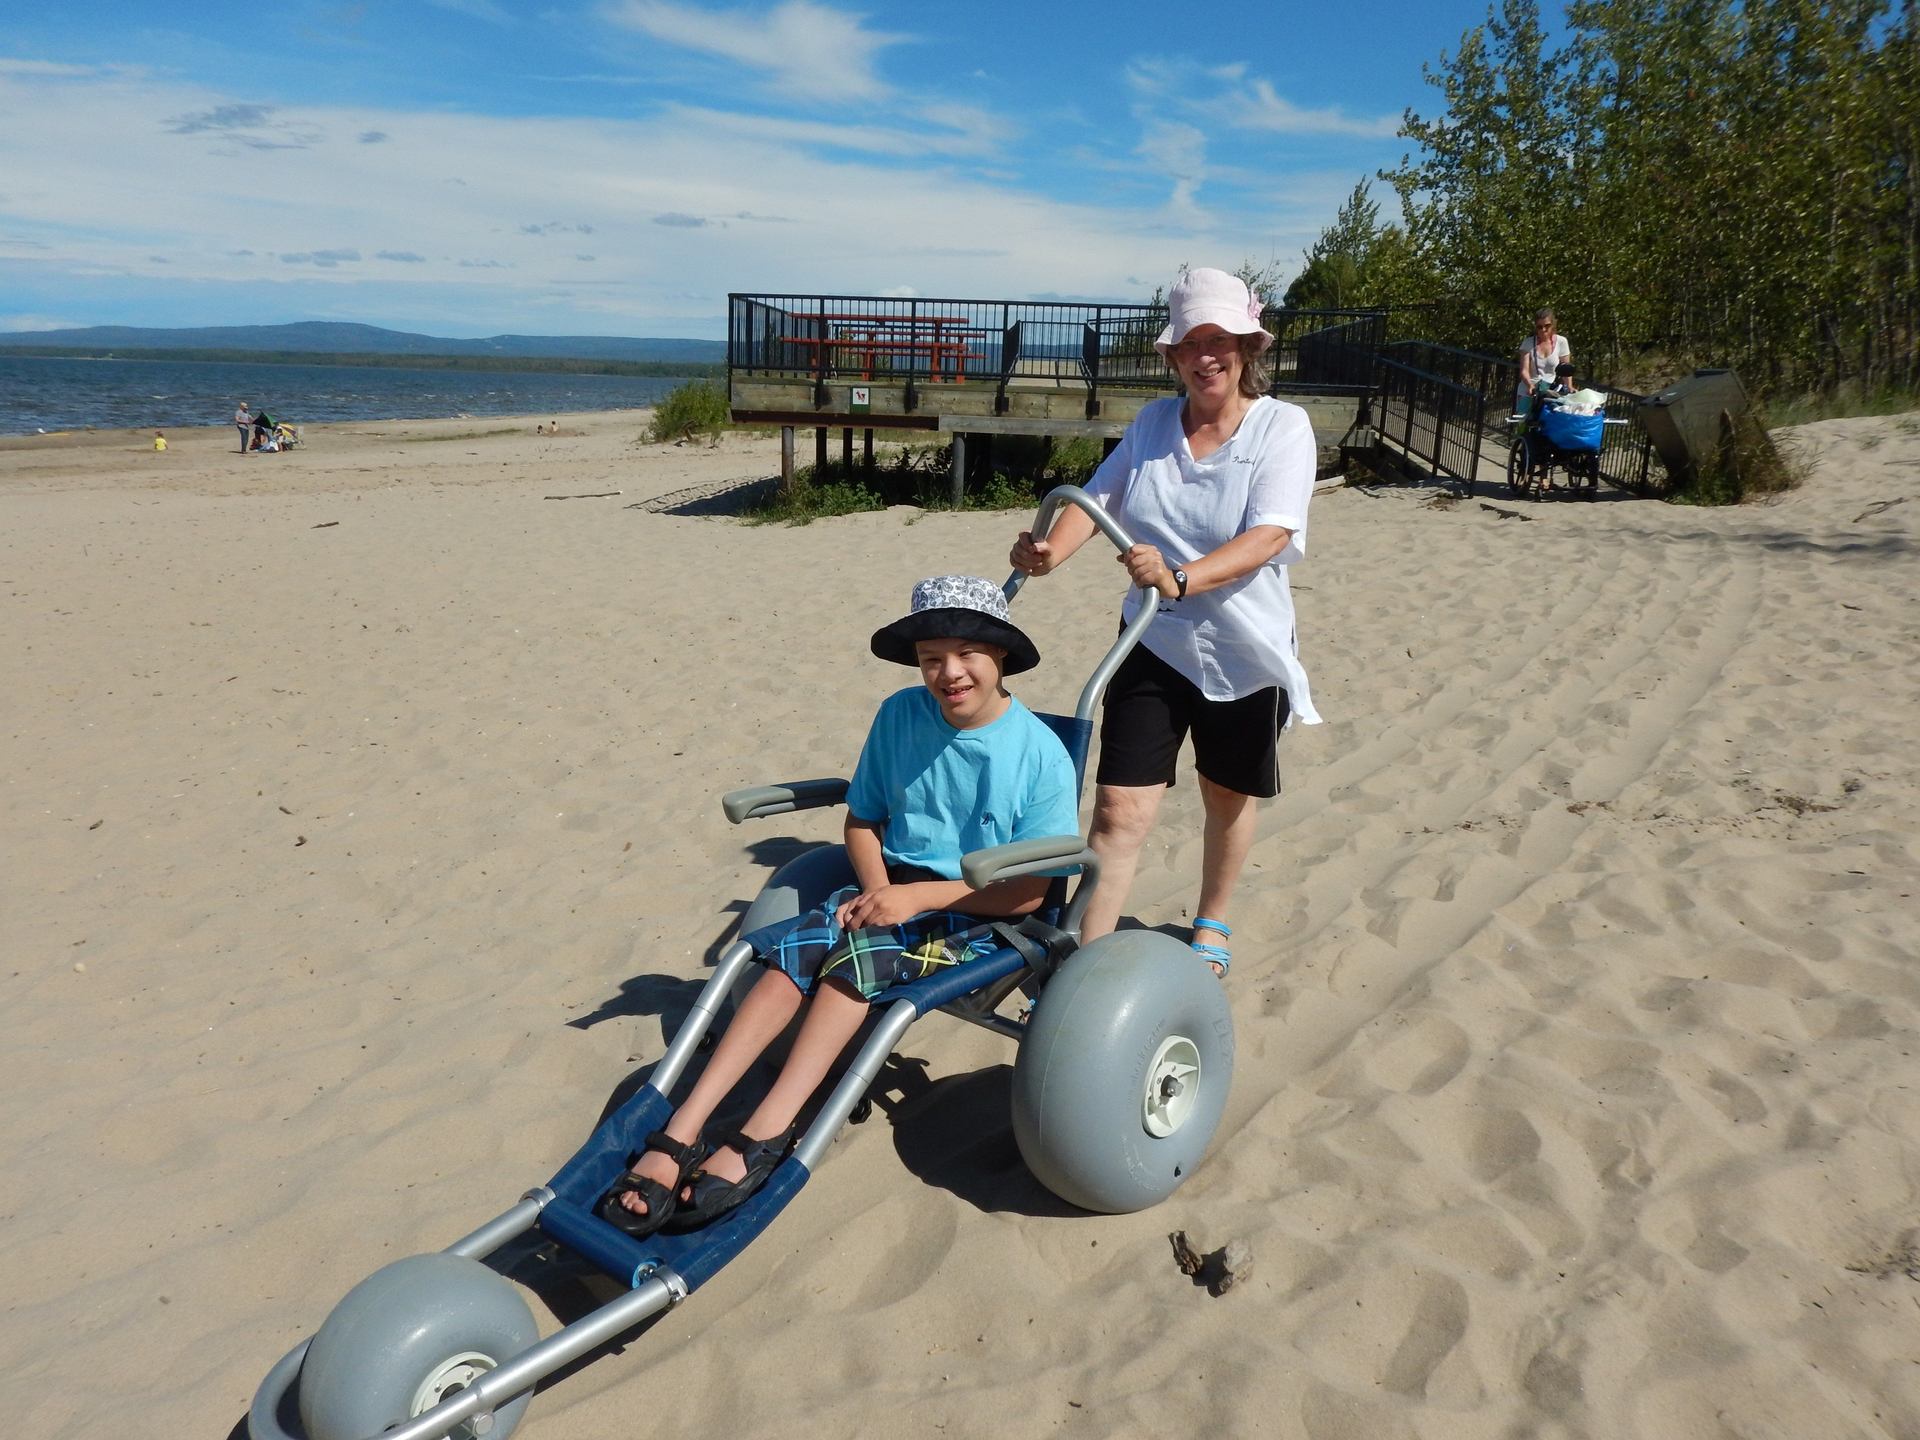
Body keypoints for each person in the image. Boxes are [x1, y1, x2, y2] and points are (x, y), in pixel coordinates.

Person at [598, 575, 1079, 1238]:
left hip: (983, 917)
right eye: (932, 657)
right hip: (894, 888)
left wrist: (911, 900)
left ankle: (769, 1127)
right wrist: (879, 889)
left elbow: (1029, 890)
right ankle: (683, 1126)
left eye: (967, 653)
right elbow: (862, 820)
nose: (949, 671)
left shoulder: (1039, 756)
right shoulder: (900, 716)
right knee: (789, 950)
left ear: (1002, 658)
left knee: (859, 957)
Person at [1008, 266, 1321, 978]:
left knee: (1226, 792)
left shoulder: (1282, 427)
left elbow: (1271, 533)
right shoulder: (1153, 423)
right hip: (1153, 639)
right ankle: (1086, 963)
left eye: (1221, 341)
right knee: (1119, 809)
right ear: (1172, 354)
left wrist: (1181, 577)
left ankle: (1211, 924)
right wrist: (1047, 553)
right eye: (1191, 343)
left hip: (1245, 649)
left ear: (1247, 347)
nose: (1206, 356)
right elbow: (1098, 500)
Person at [1516, 309, 1571, 412]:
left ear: (1553, 325)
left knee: (1548, 423)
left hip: (1550, 392)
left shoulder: (1561, 342)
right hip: (1529, 390)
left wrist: (1569, 387)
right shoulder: (1528, 343)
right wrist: (1529, 385)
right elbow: (1524, 370)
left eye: (1547, 326)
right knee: (1524, 424)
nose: (1543, 330)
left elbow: (1566, 370)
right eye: (1539, 327)